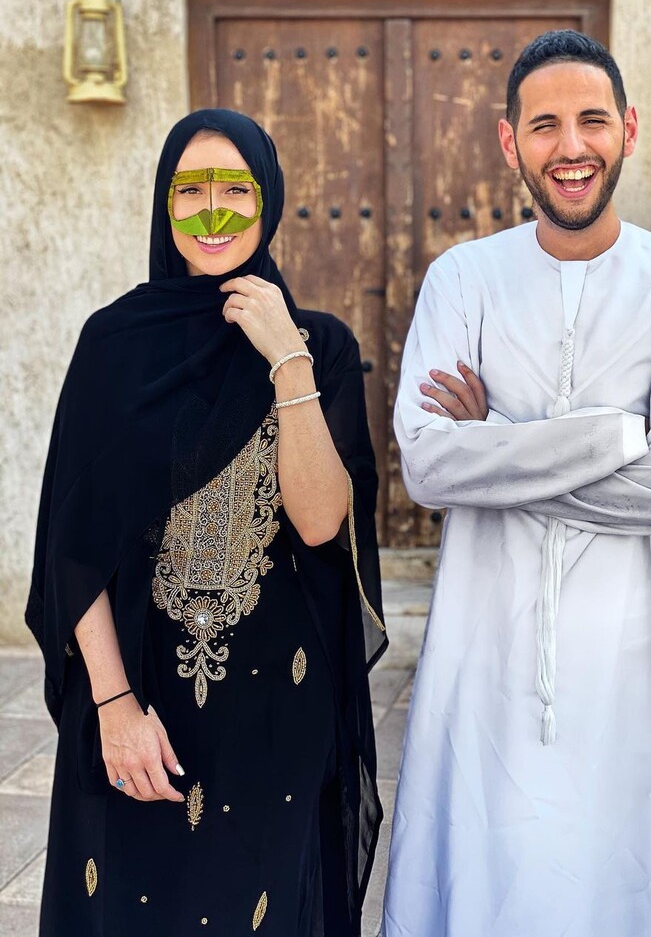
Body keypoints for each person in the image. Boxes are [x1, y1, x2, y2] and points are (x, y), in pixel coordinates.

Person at [384, 30, 651, 937]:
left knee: (634, 878)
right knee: (489, 869)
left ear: (630, 130)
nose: (570, 146)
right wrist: (619, 439)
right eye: (544, 125)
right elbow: (426, 463)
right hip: (483, 646)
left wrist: (494, 445)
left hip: (636, 651)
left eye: (591, 121)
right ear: (510, 143)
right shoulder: (461, 279)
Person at [26, 108, 387, 937]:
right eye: (192, 189)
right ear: (165, 202)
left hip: (274, 717)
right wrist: (113, 704)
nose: (214, 210)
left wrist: (285, 355)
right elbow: (74, 544)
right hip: (142, 703)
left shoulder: (318, 344)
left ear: (269, 201)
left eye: (237, 187)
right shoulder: (112, 345)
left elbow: (323, 520)